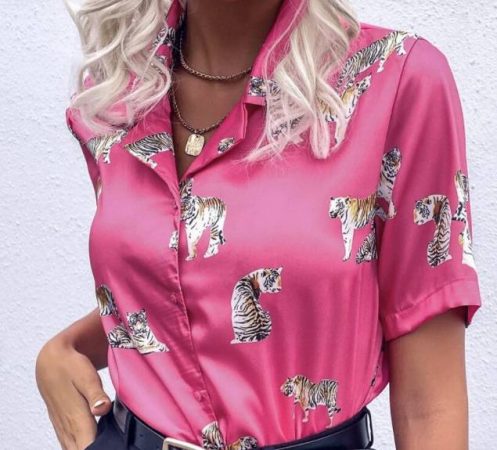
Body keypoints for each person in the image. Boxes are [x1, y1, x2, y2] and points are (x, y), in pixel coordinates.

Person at [35, 0, 483, 449]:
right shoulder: (116, 96)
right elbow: (189, 285)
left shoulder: (394, 78)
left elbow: (429, 405)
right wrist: (62, 351)